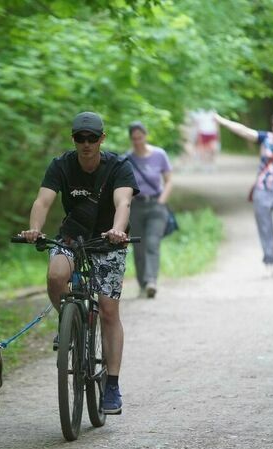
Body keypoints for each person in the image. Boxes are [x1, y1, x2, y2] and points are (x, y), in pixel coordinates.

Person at [19, 111, 139, 414]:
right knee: (56, 276)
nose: (86, 144)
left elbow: (123, 202)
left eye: (92, 138)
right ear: (73, 139)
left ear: (102, 139)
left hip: (108, 239)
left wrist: (118, 229)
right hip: (72, 236)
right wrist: (35, 228)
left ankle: (111, 384)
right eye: (80, 138)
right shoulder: (61, 165)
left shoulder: (119, 167)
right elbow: (42, 201)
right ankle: (69, 320)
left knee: (109, 310)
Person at [215, 112, 273, 277]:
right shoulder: (265, 138)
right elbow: (244, 131)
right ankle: (269, 262)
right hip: (262, 189)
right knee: (265, 228)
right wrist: (222, 121)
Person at [125, 121, 173, 298]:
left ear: (145, 135)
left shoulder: (159, 155)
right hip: (136, 206)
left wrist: (161, 201)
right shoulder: (127, 159)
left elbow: (169, 180)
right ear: (131, 139)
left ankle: (151, 280)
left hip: (156, 204)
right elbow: (124, 187)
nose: (138, 141)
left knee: (152, 243)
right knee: (139, 247)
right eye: (134, 138)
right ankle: (142, 282)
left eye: (140, 137)